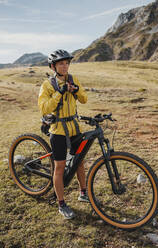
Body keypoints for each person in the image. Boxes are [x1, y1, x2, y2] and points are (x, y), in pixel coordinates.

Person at [38, 49, 88, 219]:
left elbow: (84, 99)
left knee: (79, 161)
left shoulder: (73, 79)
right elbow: (45, 108)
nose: (65, 66)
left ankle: (83, 192)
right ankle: (61, 203)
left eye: (67, 63)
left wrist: (76, 91)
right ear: (53, 66)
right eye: (61, 63)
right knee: (59, 167)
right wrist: (59, 93)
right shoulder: (47, 85)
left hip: (74, 128)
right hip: (58, 131)